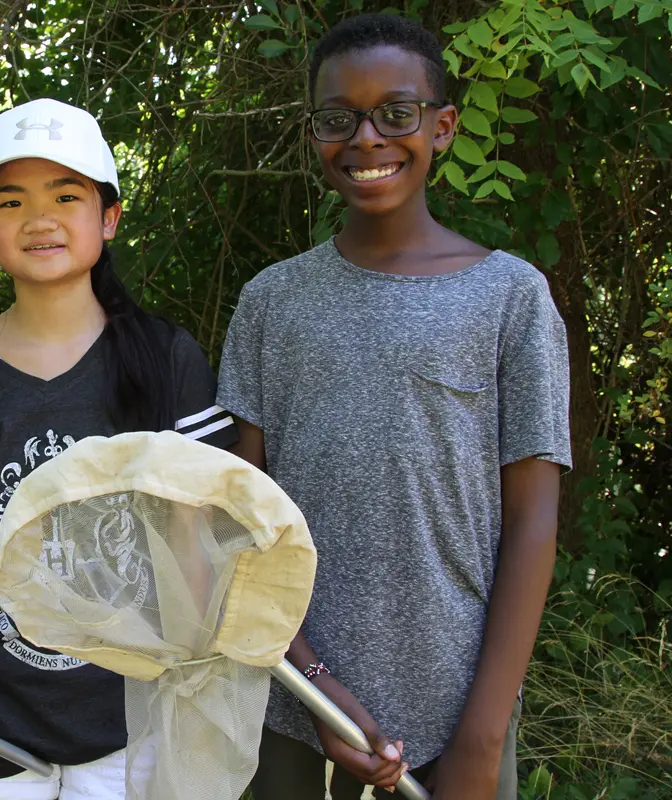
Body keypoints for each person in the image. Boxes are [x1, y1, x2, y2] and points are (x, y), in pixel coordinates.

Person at [218, 13, 572, 800]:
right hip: (292, 704)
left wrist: (483, 733)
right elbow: (242, 519)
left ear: (443, 128)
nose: (367, 138)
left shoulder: (511, 297)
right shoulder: (272, 303)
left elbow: (534, 522)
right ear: (314, 134)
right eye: (339, 118)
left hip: (457, 716)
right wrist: (313, 687)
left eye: (397, 113)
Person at [0, 98, 238, 800]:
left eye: (66, 195)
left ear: (109, 217)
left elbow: (203, 541)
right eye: (12, 200)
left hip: (132, 719)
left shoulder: (165, 358)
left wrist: (180, 672)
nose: (40, 218)